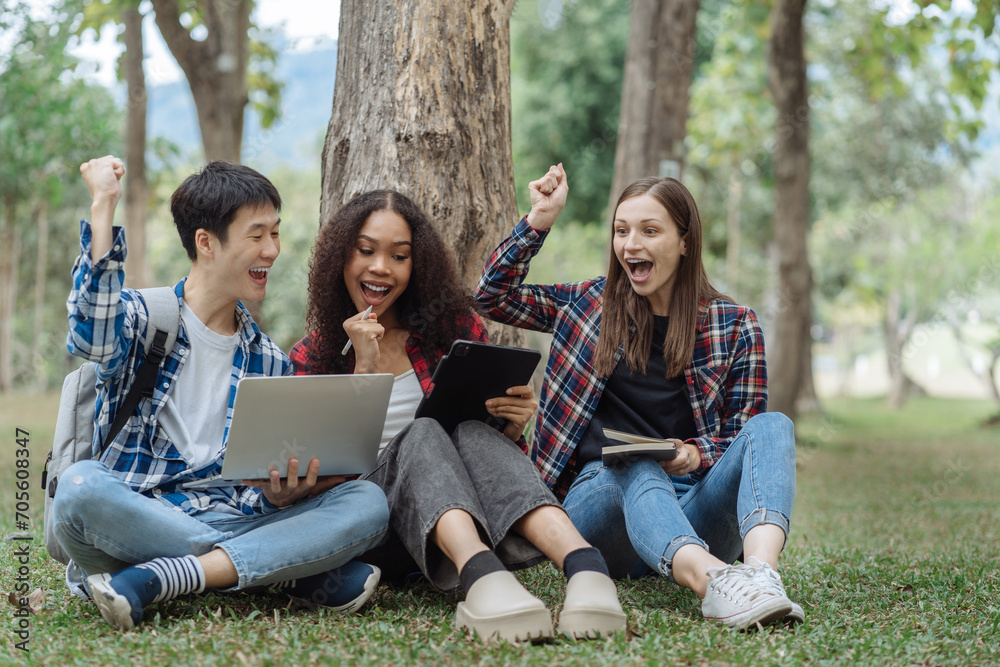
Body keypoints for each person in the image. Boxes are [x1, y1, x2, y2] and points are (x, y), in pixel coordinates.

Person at [52, 156, 389, 632]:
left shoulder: (269, 359)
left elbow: (247, 493)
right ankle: (276, 571)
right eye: (257, 235)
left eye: (275, 233)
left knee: (367, 503)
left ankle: (167, 576)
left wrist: (278, 500)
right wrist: (104, 205)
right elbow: (90, 332)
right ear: (206, 242)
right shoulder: (143, 320)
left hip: (237, 519)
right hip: (136, 517)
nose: (272, 250)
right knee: (79, 488)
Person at [474, 164, 802, 631]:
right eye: (622, 230)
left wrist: (694, 454)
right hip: (600, 511)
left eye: (650, 230)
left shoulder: (735, 324)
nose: (631, 244)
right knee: (632, 460)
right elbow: (492, 296)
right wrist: (540, 219)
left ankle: (761, 576)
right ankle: (716, 587)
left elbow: (737, 437)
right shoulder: (586, 304)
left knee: (774, 426)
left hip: (696, 511)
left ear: (685, 241)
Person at [288, 190, 627, 642]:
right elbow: (321, 473)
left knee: (467, 429)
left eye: (399, 256)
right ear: (339, 260)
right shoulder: (312, 356)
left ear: (416, 266)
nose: (381, 268)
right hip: (372, 530)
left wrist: (511, 423)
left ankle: (586, 568)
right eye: (366, 251)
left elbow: (489, 457)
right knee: (424, 431)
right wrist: (364, 368)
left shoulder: (451, 332)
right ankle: (482, 577)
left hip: (457, 519)